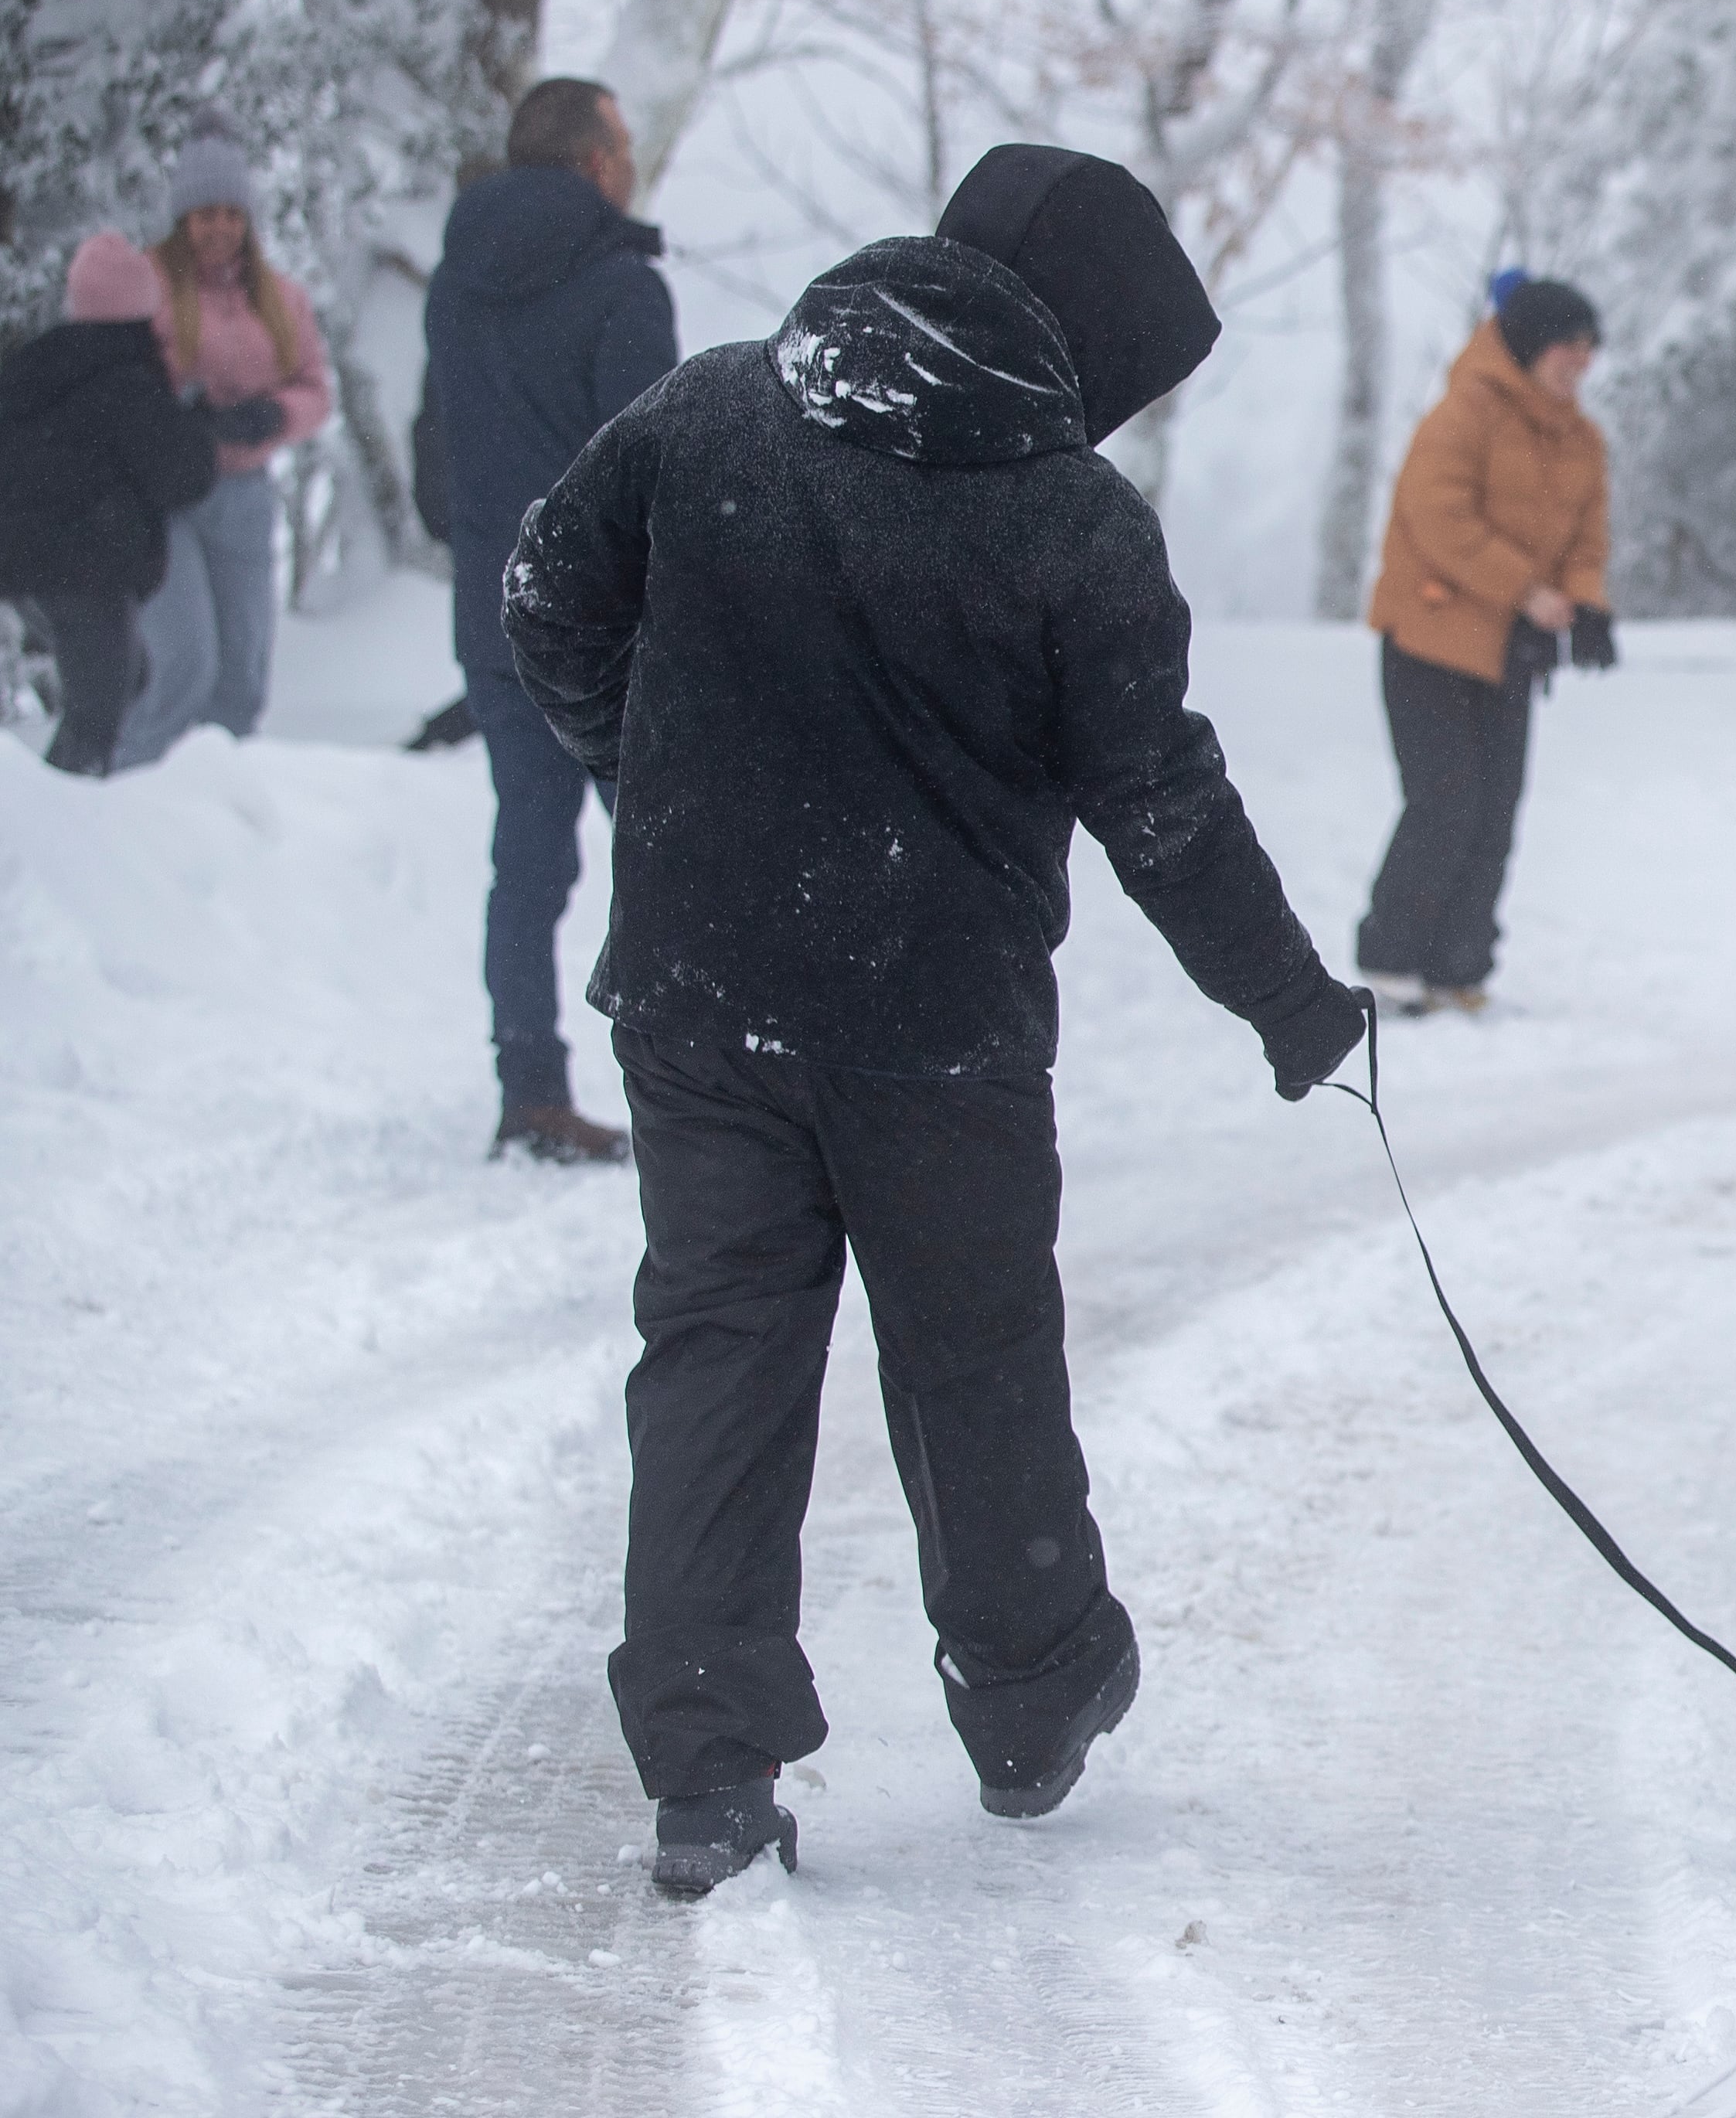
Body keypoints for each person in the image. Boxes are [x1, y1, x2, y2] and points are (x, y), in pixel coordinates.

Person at [507, 142, 1370, 1897]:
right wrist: (1294, 1007)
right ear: (1080, 338)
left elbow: (545, 592)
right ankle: (1028, 1689)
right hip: (936, 1033)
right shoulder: (1071, 526)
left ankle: (706, 1764)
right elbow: (1165, 809)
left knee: (722, 1350)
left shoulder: (712, 412)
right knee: (971, 1355)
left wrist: (655, 790)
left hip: (698, 995)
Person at [425, 77, 678, 1162]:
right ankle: (693, 1086)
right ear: (593, 163)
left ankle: (528, 1090)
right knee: (671, 849)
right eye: (623, 142)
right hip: (610, 622)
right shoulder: (621, 284)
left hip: (495, 606)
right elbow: (652, 465)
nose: (630, 161)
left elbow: (435, 452)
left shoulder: (454, 285)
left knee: (525, 855)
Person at [1354, 276, 1616, 1015]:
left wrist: (1588, 603)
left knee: (1497, 809)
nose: (1581, 362)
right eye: (1570, 345)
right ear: (1532, 343)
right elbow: (1436, 518)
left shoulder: (1582, 439)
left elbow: (1588, 539)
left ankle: (1458, 968)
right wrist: (1526, 590)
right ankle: (1390, 962)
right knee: (1444, 802)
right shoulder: (1463, 413)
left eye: (1590, 349)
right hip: (1430, 641)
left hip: (1510, 651)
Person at [115, 128, 331, 767]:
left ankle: (220, 811)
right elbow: (117, 385)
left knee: (242, 675)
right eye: (208, 214)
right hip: (169, 499)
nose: (221, 229)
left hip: (245, 494)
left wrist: (272, 414)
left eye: (233, 214)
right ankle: (122, 797)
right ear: (184, 218)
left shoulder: (279, 297)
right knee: (185, 662)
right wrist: (181, 419)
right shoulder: (148, 287)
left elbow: (315, 390)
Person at [0, 235, 221, 773]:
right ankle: (65, 828)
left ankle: (97, 813)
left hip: (28, 563)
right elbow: (182, 476)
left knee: (130, 681)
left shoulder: (41, 364)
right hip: (84, 566)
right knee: (98, 713)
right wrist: (202, 424)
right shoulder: (127, 380)